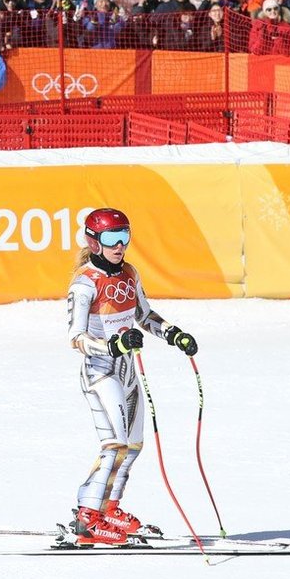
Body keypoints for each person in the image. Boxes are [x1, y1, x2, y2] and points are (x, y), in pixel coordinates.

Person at [67, 208, 199, 546]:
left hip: (127, 372)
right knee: (114, 446)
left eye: (124, 236)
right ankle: (86, 517)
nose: (120, 245)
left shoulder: (129, 273)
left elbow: (144, 315)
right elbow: (77, 338)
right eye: (112, 239)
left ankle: (109, 509)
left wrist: (173, 334)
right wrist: (114, 344)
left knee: (134, 446)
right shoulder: (85, 283)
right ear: (93, 242)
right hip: (100, 373)